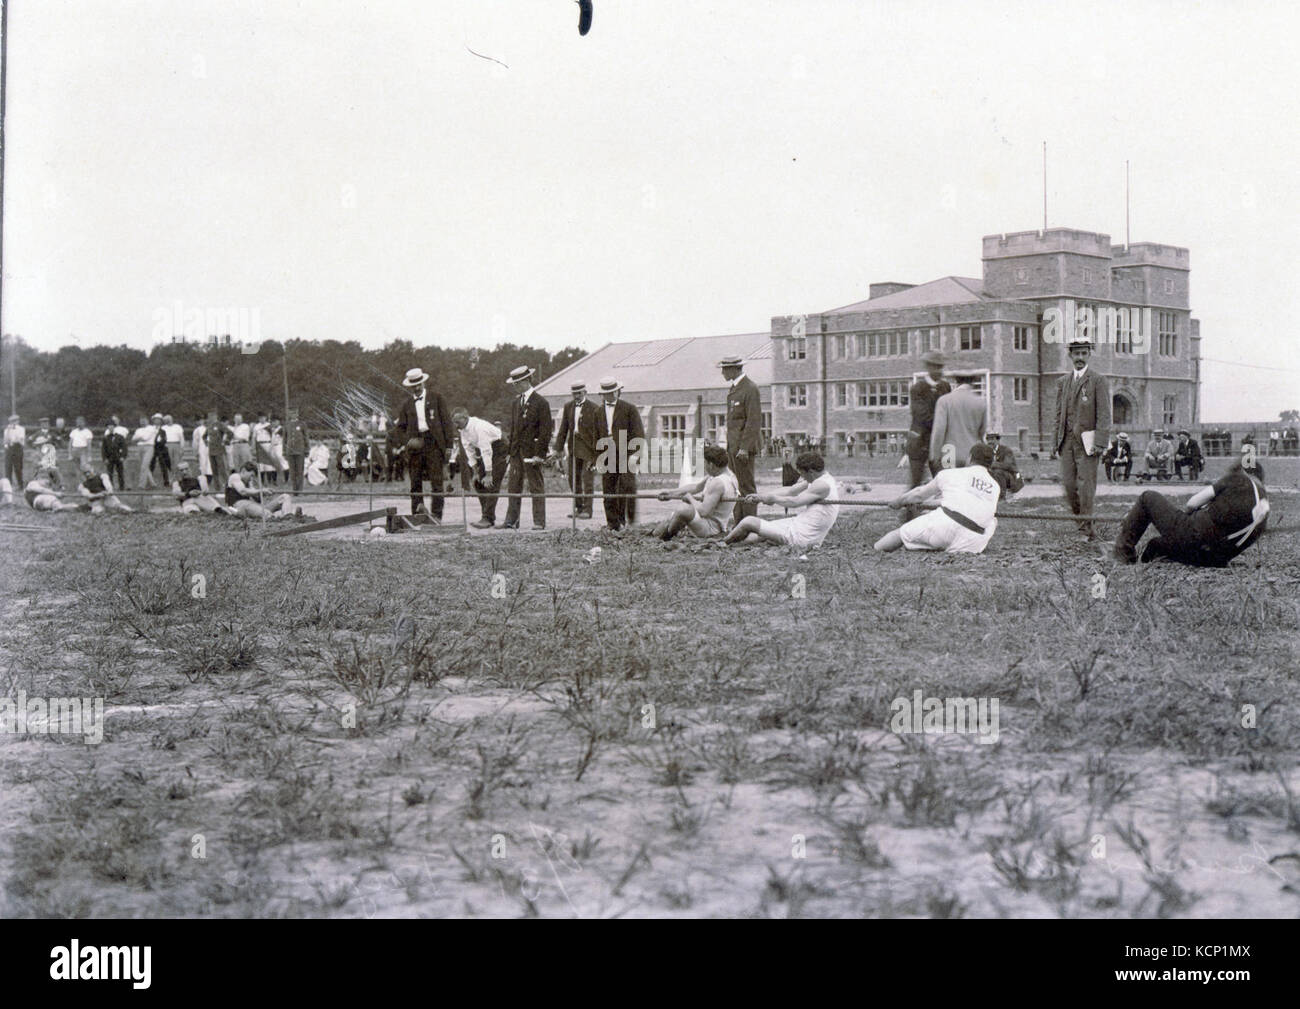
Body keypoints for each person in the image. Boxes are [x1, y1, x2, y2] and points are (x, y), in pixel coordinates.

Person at [1114, 460, 1268, 567]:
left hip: (1192, 537)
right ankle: (1153, 559)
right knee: (1155, 545)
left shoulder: (1238, 479)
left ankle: (1123, 554)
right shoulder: (1264, 509)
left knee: (1147, 497)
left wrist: (1182, 517)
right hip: (1214, 559)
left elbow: (1192, 503)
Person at [874, 443, 1001, 555]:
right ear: (990, 463)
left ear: (970, 458)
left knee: (900, 534)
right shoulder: (995, 486)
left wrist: (898, 502)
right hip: (973, 542)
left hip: (945, 527)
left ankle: (874, 550)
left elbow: (918, 494)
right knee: (991, 521)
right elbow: (962, 504)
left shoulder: (952, 473)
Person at [1053, 338, 1110, 540]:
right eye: (1076, 354)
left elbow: (1104, 414)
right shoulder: (1063, 382)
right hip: (1067, 442)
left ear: (1089, 355)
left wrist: (1100, 443)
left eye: (1083, 354)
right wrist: (1056, 442)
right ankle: (1083, 522)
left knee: (1086, 486)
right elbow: (1058, 414)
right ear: (1070, 355)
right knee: (1069, 486)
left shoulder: (1097, 380)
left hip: (1088, 443)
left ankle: (1085, 529)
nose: (1079, 358)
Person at [723, 451, 839, 550]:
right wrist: (761, 496)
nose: (802, 478)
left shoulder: (822, 485)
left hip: (802, 536)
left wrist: (773, 499)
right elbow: (791, 491)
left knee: (749, 521)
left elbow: (795, 502)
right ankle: (735, 545)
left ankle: (722, 543)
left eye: (802, 474)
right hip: (798, 525)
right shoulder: (820, 479)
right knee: (758, 533)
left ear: (811, 472)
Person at [394, 367, 455, 519]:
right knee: (415, 482)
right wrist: (408, 441)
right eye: (413, 386)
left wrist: (449, 446)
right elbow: (399, 428)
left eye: (418, 384)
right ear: (409, 386)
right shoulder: (407, 404)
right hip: (415, 446)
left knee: (437, 482)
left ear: (423, 382)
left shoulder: (437, 398)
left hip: (434, 444)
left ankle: (436, 516)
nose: (416, 388)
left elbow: (447, 422)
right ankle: (417, 515)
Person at [502, 365, 552, 530]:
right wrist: (510, 452)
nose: (515, 386)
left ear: (527, 381)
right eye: (514, 383)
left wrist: (540, 454)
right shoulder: (516, 403)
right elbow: (514, 429)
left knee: (535, 487)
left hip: (532, 453)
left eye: (518, 382)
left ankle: (539, 521)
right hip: (516, 452)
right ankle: (511, 521)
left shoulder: (541, 402)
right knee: (513, 486)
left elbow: (545, 431)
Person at [652, 444, 739, 540]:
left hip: (712, 528)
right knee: (663, 525)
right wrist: (671, 493)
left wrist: (690, 498)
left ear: (711, 465)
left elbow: (703, 511)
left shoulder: (718, 482)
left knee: (684, 509)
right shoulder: (727, 475)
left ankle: (665, 538)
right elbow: (696, 487)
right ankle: (662, 532)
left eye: (705, 463)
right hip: (707, 523)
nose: (704, 467)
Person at [592, 375, 643, 532]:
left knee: (627, 486)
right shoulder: (598, 412)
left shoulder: (629, 409)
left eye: (615, 391)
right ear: (603, 394)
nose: (612, 395)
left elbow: (638, 434)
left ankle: (630, 521)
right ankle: (612, 524)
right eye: (608, 393)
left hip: (626, 454)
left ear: (619, 391)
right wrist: (596, 458)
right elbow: (595, 435)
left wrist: (635, 456)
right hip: (606, 455)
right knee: (608, 489)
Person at [905, 351, 952, 521]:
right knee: (916, 483)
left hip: (938, 443)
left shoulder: (945, 387)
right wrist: (942, 425)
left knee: (942, 482)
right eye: (935, 367)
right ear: (928, 368)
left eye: (941, 367)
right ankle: (909, 518)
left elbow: (948, 409)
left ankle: (944, 518)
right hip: (919, 442)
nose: (939, 371)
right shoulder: (918, 389)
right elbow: (922, 415)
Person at [720, 354, 763, 526]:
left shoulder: (750, 388)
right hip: (734, 447)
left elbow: (753, 421)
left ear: (734, 369)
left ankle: (750, 525)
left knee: (746, 486)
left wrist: (744, 447)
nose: (722, 372)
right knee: (735, 486)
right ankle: (739, 524)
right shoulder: (735, 389)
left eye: (725, 369)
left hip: (742, 449)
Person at [452, 408, 509, 528]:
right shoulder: (463, 430)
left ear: (465, 418)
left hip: (499, 448)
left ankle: (487, 518)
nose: (456, 425)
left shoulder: (479, 427)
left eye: (458, 422)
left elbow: (486, 450)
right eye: (454, 422)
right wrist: (476, 472)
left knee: (491, 483)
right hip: (487, 451)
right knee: (478, 483)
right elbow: (469, 451)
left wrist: (489, 474)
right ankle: (488, 516)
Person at [552, 381, 598, 520]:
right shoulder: (568, 407)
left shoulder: (594, 408)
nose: (576, 396)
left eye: (579, 393)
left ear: (585, 392)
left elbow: (598, 432)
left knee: (587, 478)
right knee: (573, 478)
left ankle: (588, 509)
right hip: (573, 448)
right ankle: (578, 507)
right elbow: (563, 429)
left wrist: (597, 454)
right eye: (574, 394)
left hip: (589, 449)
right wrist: (557, 449)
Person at [929, 374, 986, 474]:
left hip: (949, 454)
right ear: (973, 382)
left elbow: (939, 431)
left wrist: (934, 456)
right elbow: (982, 433)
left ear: (956, 381)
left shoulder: (945, 401)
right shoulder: (981, 402)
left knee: (950, 487)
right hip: (971, 456)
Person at [225, 462, 291, 518]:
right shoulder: (235, 476)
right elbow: (243, 491)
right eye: (251, 475)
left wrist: (264, 494)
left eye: (253, 476)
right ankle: (274, 518)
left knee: (285, 497)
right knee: (266, 513)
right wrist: (261, 491)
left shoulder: (249, 482)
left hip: (250, 505)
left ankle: (288, 517)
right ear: (243, 471)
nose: (251, 478)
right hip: (238, 506)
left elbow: (257, 499)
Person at [984, 432, 1023, 498]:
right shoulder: (986, 451)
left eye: (992, 439)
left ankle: (1002, 496)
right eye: (988, 439)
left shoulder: (1006, 450)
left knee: (998, 472)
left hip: (1012, 477)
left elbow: (1007, 465)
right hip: (996, 475)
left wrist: (990, 464)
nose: (990, 442)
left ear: (998, 440)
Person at [283, 408, 310, 492]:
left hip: (300, 451)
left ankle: (300, 490)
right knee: (292, 472)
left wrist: (307, 449)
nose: (293, 414)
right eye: (291, 413)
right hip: (290, 451)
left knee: (300, 471)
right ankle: (294, 490)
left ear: (297, 414)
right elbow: (284, 439)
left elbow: (306, 437)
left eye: (294, 413)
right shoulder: (287, 424)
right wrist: (284, 451)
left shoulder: (302, 424)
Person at [101, 416, 129, 491]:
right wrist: (105, 458)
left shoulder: (120, 437)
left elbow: (124, 448)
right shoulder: (106, 438)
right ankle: (110, 487)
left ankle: (122, 487)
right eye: (109, 427)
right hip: (110, 458)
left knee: (120, 473)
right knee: (110, 473)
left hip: (118, 457)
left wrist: (123, 456)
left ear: (114, 427)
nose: (110, 428)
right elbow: (103, 449)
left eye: (112, 426)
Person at [4, 414, 25, 488]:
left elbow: (20, 439)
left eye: (14, 421)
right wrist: (7, 446)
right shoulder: (7, 430)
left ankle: (20, 485)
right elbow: (5, 440)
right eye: (11, 421)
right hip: (9, 449)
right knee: (8, 467)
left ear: (18, 421)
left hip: (17, 448)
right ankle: (8, 485)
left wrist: (13, 438)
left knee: (18, 468)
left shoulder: (21, 429)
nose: (13, 423)